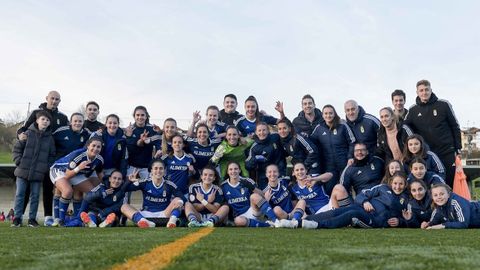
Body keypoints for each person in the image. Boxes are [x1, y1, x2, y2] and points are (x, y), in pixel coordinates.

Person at [281, 172, 408, 229]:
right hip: (363, 209)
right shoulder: (382, 188)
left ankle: (318, 225)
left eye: (401, 184)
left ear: (405, 185)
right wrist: (365, 202)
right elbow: (361, 196)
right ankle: (299, 222)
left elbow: (412, 220)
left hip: (375, 221)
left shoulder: (406, 199)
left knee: (353, 215)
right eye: (395, 183)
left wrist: (400, 221)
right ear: (391, 182)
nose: (398, 186)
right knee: (341, 210)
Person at [17, 91, 68, 226]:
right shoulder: (35, 113)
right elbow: (22, 129)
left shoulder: (62, 118)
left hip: (51, 157)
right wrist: (20, 136)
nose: (54, 101)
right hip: (33, 158)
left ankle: (47, 216)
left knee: (48, 186)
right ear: (47, 98)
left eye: (57, 99)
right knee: (26, 189)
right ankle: (19, 215)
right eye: (52, 98)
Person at [404, 79, 461, 187]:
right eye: (421, 90)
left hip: (446, 151)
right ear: (417, 93)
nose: (424, 92)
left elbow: (455, 126)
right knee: (429, 183)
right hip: (427, 153)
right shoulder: (413, 110)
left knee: (450, 181)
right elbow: (404, 126)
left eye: (426, 89)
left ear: (431, 90)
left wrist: (458, 148)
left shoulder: (443, 104)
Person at [11, 111, 56, 227]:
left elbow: (52, 155)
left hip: (38, 173)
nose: (45, 121)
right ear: (37, 120)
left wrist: (46, 167)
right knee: (20, 194)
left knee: (35, 196)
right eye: (43, 119)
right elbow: (17, 149)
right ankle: (17, 218)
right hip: (22, 171)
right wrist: (19, 162)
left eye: (47, 120)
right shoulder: (27, 134)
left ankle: (32, 219)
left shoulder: (50, 139)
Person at [49, 137, 104, 226]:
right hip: (59, 170)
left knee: (92, 193)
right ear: (88, 146)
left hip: (76, 173)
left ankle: (77, 218)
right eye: (93, 146)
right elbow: (67, 175)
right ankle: (60, 220)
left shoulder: (99, 159)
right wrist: (79, 167)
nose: (95, 148)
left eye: (98, 147)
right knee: (67, 191)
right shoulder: (79, 155)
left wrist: (105, 185)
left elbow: (100, 173)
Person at [49, 112, 91, 225]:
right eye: (75, 121)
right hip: (61, 166)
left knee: (79, 193)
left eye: (80, 121)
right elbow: (49, 140)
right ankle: (57, 219)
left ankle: (77, 219)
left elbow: (95, 139)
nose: (77, 123)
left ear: (83, 123)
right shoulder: (61, 131)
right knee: (61, 191)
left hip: (76, 167)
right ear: (70, 122)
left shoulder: (86, 134)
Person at [122, 159, 184, 228]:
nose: (158, 171)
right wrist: (129, 181)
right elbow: (124, 189)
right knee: (124, 206)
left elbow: (183, 199)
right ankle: (143, 221)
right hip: (146, 215)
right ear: (151, 171)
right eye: (155, 168)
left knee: (178, 200)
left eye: (161, 168)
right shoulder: (144, 182)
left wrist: (179, 205)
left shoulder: (169, 185)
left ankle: (172, 221)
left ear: (164, 171)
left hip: (164, 215)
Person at [220, 161, 278, 227]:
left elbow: (262, 195)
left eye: (236, 169)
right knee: (239, 221)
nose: (233, 171)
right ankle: (268, 225)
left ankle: (276, 221)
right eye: (230, 169)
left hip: (252, 210)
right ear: (227, 172)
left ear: (239, 170)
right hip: (238, 217)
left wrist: (252, 188)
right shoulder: (223, 186)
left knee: (254, 196)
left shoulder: (247, 181)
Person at [310, 104, 356, 186]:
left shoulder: (342, 125)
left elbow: (352, 142)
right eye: (326, 113)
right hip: (329, 166)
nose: (328, 115)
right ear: (322, 115)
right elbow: (311, 143)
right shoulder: (319, 128)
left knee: (344, 187)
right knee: (329, 189)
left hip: (344, 163)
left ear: (334, 114)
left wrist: (350, 157)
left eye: (331, 113)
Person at [245, 122, 286, 189]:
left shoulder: (275, 137)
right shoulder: (254, 147)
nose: (262, 132)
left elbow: (286, 138)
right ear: (256, 132)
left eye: (264, 130)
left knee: (281, 193)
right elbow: (248, 165)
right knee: (265, 195)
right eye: (259, 130)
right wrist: (255, 159)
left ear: (268, 131)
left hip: (279, 171)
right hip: (264, 175)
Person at [125, 106, 161, 180]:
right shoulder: (129, 129)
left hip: (146, 166)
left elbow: (158, 142)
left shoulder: (152, 128)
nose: (140, 117)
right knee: (127, 188)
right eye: (137, 115)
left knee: (148, 190)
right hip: (131, 165)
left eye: (142, 115)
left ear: (146, 116)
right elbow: (129, 147)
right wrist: (129, 137)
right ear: (134, 116)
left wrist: (158, 151)